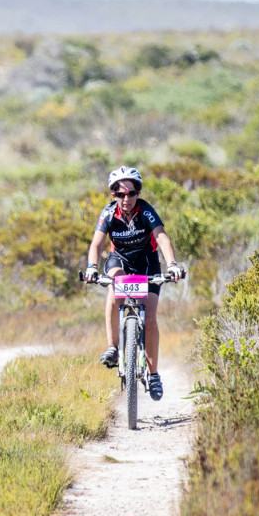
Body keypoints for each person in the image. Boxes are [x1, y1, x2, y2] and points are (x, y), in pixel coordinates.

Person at [81, 166, 183, 401]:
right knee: (115, 287)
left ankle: (154, 375)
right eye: (120, 194)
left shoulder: (146, 211)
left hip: (147, 262)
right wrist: (92, 268)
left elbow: (161, 237)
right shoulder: (108, 213)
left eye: (131, 193)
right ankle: (113, 347)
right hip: (120, 260)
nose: (126, 199)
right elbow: (96, 244)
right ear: (113, 195)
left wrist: (172, 265)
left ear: (138, 193)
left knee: (150, 317)